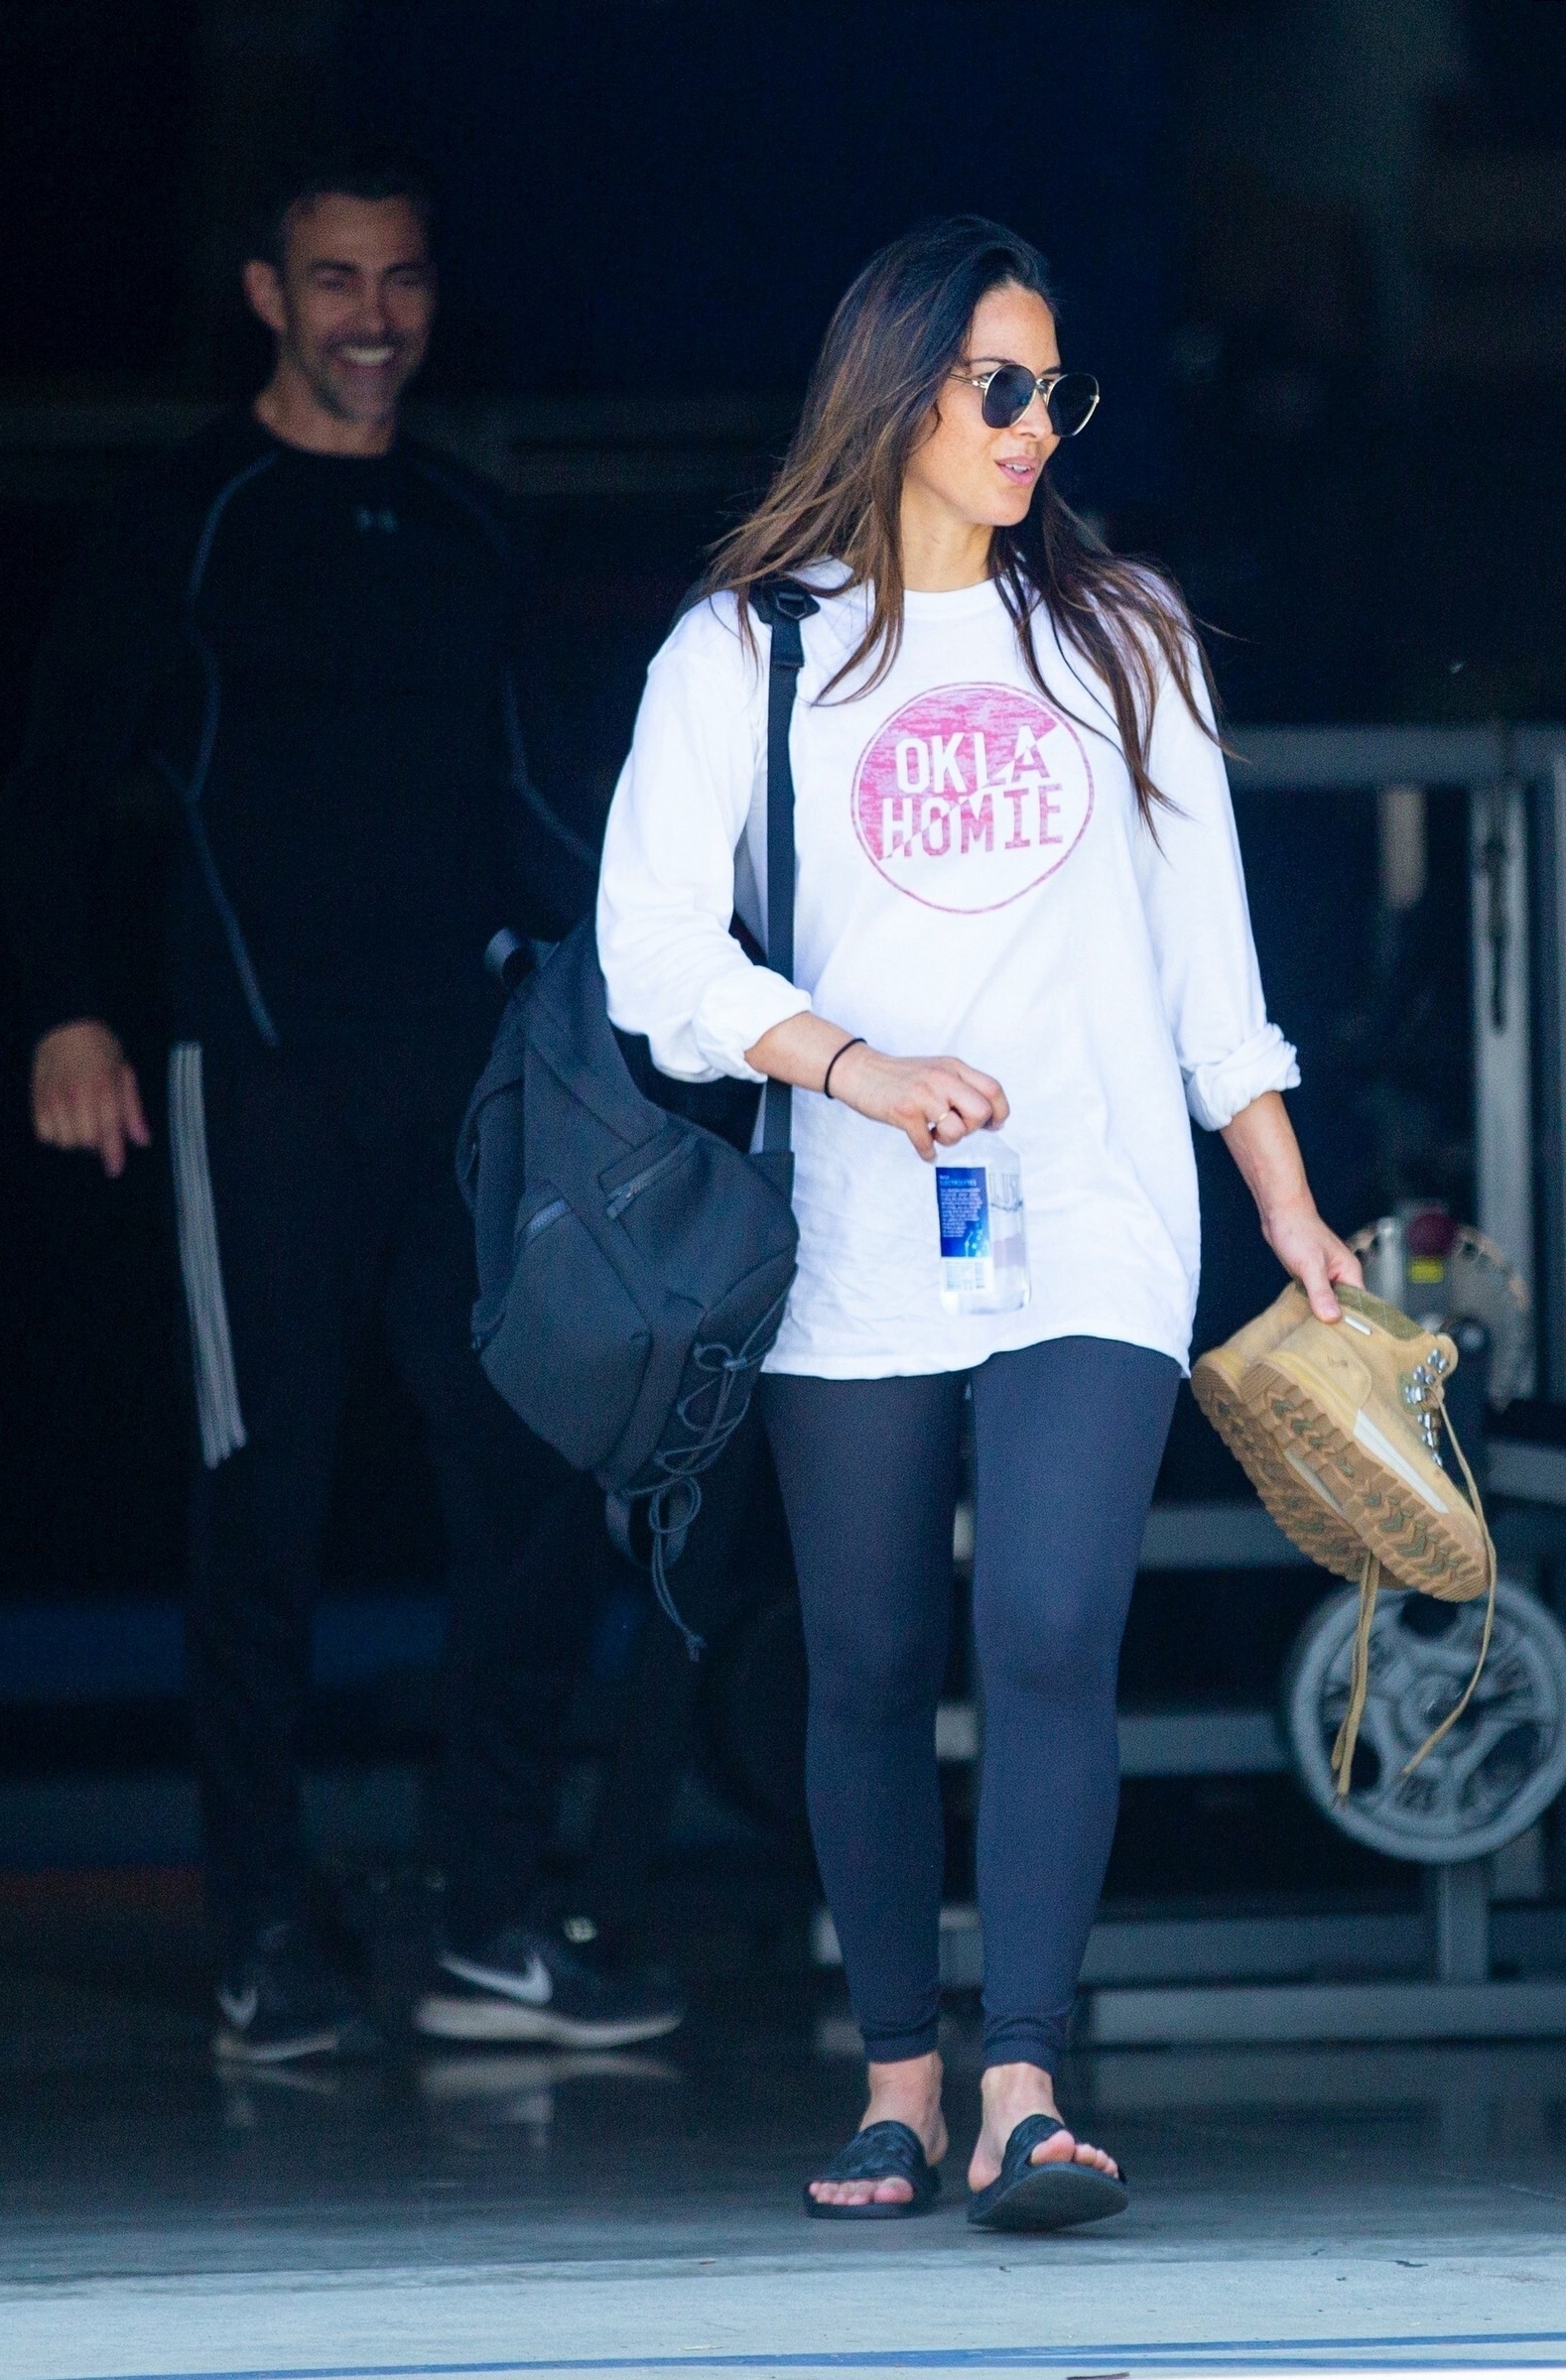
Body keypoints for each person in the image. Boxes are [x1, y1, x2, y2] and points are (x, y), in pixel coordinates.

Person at [596, 216, 1361, 2228]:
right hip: (848, 1229)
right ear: (896, 387)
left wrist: (1287, 1203)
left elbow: (1209, 965)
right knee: (860, 1659)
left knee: (1045, 1626)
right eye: (995, 386)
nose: (1034, 424)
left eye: (1052, 389)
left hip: (1094, 1211)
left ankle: (1025, 2084)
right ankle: (899, 2085)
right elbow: (650, 949)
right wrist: (851, 1066)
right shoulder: (748, 647)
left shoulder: (1121, 634)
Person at [3, 140, 682, 2063]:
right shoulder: (188, 516)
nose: (372, 318)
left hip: (465, 1080)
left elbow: (537, 805)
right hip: (258, 1079)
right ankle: (261, 1944)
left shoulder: (472, 525)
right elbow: (51, 789)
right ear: (265, 298)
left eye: (400, 280)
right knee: (263, 1509)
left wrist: (672, 1001)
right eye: (333, 280)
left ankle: (490, 1928)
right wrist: (67, 1019)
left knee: (534, 1474)